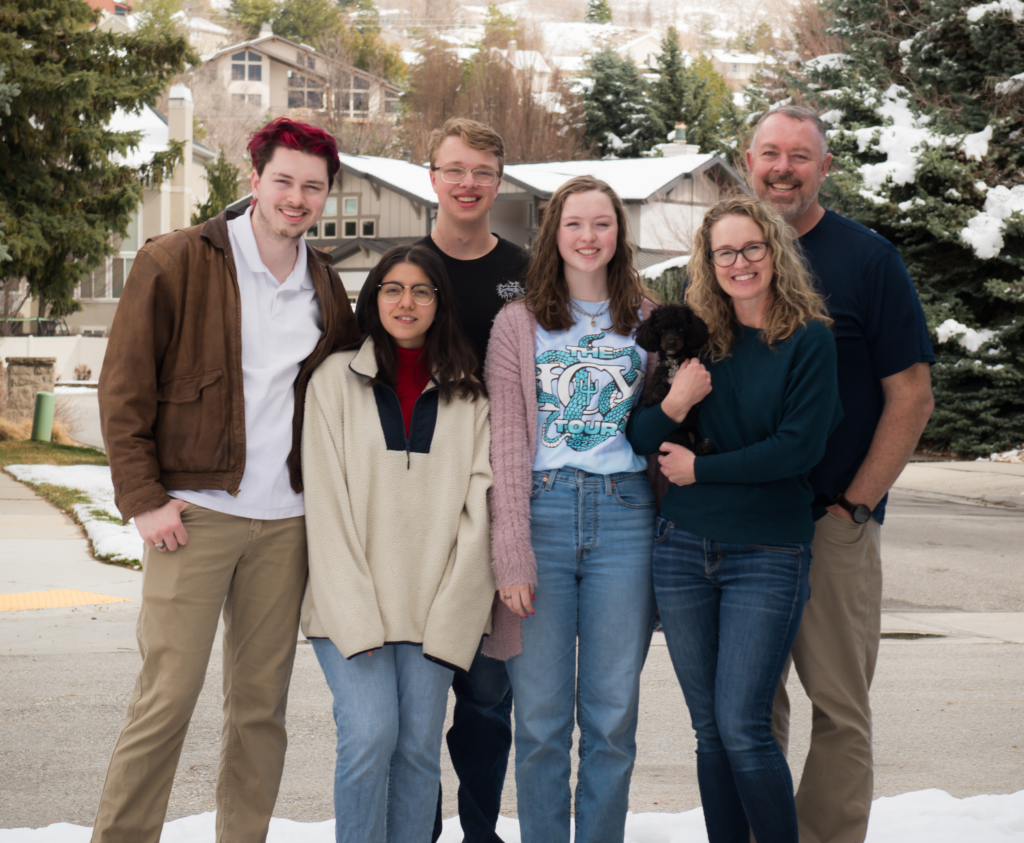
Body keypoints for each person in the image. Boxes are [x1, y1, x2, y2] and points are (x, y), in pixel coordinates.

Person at [93, 118, 359, 843]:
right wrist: (144, 499)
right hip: (194, 514)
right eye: (284, 181)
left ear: (326, 195)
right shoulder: (177, 259)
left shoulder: (324, 283)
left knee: (259, 708)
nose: (297, 198)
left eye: (313, 187)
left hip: (288, 523)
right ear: (254, 179)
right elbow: (123, 388)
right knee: (166, 698)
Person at [746, 106, 935, 843]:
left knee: (839, 707)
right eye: (770, 153)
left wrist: (857, 504)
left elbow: (911, 394)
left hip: (832, 522)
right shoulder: (726, 255)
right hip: (742, 528)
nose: (783, 168)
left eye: (800, 155)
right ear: (748, 161)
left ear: (824, 168)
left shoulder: (868, 260)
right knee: (747, 710)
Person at [628, 195, 842, 843]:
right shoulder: (698, 341)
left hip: (768, 552)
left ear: (774, 252)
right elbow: (640, 437)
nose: (740, 262)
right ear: (709, 261)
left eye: (752, 247)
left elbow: (799, 448)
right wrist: (676, 404)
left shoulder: (808, 339)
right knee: (709, 731)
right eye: (725, 252)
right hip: (682, 548)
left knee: (744, 726)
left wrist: (703, 470)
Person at [301, 243, 496, 843]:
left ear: (439, 303)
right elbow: (326, 509)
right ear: (374, 298)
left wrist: (453, 613)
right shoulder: (333, 382)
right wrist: (354, 617)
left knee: (416, 750)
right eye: (392, 289)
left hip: (433, 611)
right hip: (349, 609)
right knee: (369, 736)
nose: (406, 302)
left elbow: (479, 511)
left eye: (420, 291)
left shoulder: (470, 393)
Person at [484, 175, 659, 843]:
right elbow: (504, 441)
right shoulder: (517, 322)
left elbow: (663, 425)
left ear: (619, 234)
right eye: (574, 224)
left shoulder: (648, 319)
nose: (589, 236)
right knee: (540, 720)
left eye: (602, 223)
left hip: (626, 517)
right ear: (553, 234)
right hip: (543, 515)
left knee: (613, 718)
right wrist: (511, 551)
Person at [422, 117, 528, 843]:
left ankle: (481, 831)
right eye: (454, 169)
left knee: (488, 697)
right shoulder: (404, 270)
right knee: (418, 699)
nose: (468, 183)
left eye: (482, 171)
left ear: (499, 181)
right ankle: (416, 829)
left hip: (500, 500)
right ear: (432, 177)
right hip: (420, 504)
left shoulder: (527, 272)